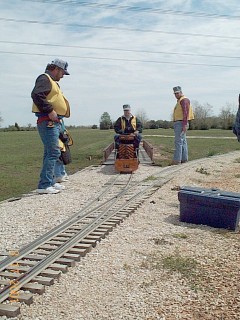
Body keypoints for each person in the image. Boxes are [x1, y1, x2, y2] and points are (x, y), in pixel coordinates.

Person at [31, 58, 71, 194]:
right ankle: (44, 185)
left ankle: (50, 181)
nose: (63, 75)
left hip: (54, 121)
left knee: (50, 152)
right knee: (54, 152)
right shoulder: (45, 78)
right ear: (56, 69)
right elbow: (36, 95)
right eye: (63, 72)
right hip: (48, 120)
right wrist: (50, 110)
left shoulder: (52, 81)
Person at [172, 86, 194, 165]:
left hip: (181, 123)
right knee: (183, 141)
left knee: (178, 142)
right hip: (180, 123)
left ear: (181, 92)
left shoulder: (184, 100)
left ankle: (177, 160)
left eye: (177, 93)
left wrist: (184, 125)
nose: (176, 95)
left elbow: (185, 113)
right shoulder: (180, 100)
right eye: (175, 94)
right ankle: (184, 159)